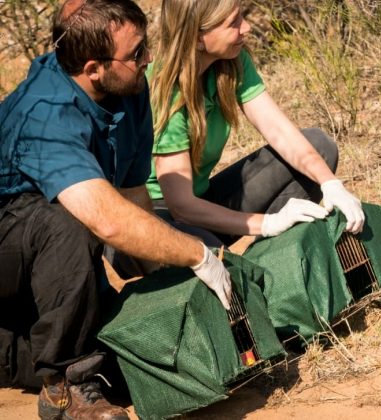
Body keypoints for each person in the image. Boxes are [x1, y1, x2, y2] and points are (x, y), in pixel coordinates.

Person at [0, 1, 233, 419]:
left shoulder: (127, 85)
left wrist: (174, 289)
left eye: (144, 47)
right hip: (9, 255)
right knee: (68, 215)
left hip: (52, 270)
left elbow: (132, 195)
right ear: (93, 68)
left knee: (135, 358)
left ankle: (52, 356)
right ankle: (67, 384)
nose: (148, 60)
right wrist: (197, 256)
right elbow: (104, 216)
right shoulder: (45, 113)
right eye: (137, 53)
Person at [146, 0, 365, 248]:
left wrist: (331, 184)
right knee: (211, 259)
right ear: (197, 38)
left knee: (320, 147)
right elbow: (181, 207)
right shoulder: (165, 91)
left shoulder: (231, 62)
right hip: (158, 216)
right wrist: (268, 223)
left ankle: (270, 257)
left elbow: (279, 131)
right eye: (233, 23)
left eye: (241, 17)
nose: (246, 28)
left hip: (202, 201)